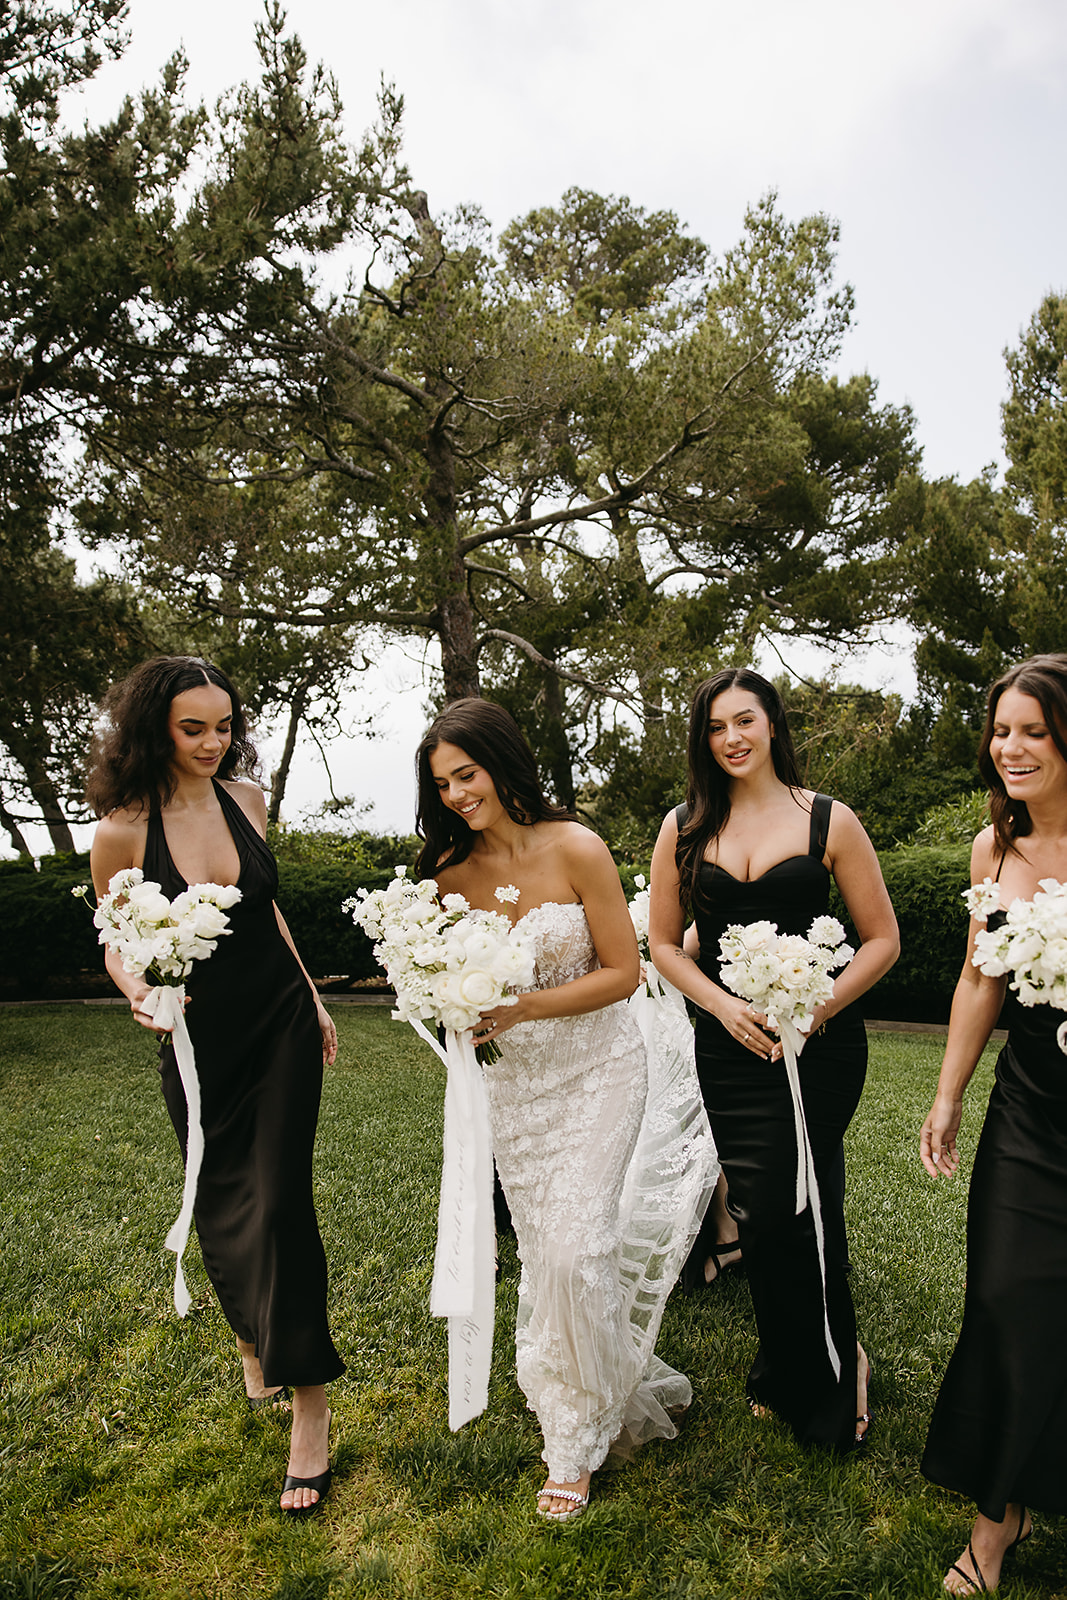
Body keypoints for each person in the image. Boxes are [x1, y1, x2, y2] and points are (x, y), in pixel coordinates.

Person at [415, 698, 710, 1522]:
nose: (456, 794)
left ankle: (573, 1440)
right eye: (441, 784)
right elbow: (440, 983)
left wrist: (520, 1009)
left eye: (465, 774)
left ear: (501, 763)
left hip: (601, 1069)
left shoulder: (575, 847)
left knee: (579, 1247)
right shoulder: (444, 874)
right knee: (550, 1252)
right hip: (514, 1089)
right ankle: (602, 1376)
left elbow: (623, 971)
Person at [87, 656, 344, 1516]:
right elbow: (114, 936)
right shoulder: (122, 829)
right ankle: (249, 1331)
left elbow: (268, 909)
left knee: (279, 1201)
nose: (212, 743)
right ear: (155, 726)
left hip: (276, 1023)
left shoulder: (247, 802)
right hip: (196, 1037)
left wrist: (311, 998)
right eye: (193, 728)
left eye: (224, 726)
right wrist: (137, 995)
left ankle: (309, 1405)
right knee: (220, 1195)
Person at [648, 667, 898, 1451]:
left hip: (819, 1048)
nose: (732, 739)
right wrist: (719, 1005)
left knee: (810, 1209)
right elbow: (662, 945)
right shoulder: (682, 827)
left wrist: (816, 1006)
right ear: (702, 739)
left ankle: (837, 1368)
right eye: (716, 727)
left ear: (772, 725)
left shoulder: (829, 821)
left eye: (744, 721)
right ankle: (787, 1360)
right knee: (760, 1217)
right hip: (729, 1048)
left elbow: (882, 938)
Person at [919, 653, 1067, 1593]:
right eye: (1000, 730)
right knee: (1006, 1302)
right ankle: (996, 1517)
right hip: (1031, 1110)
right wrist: (947, 1093)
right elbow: (981, 976)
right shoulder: (994, 849)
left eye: (1032, 732)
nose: (1008, 749)